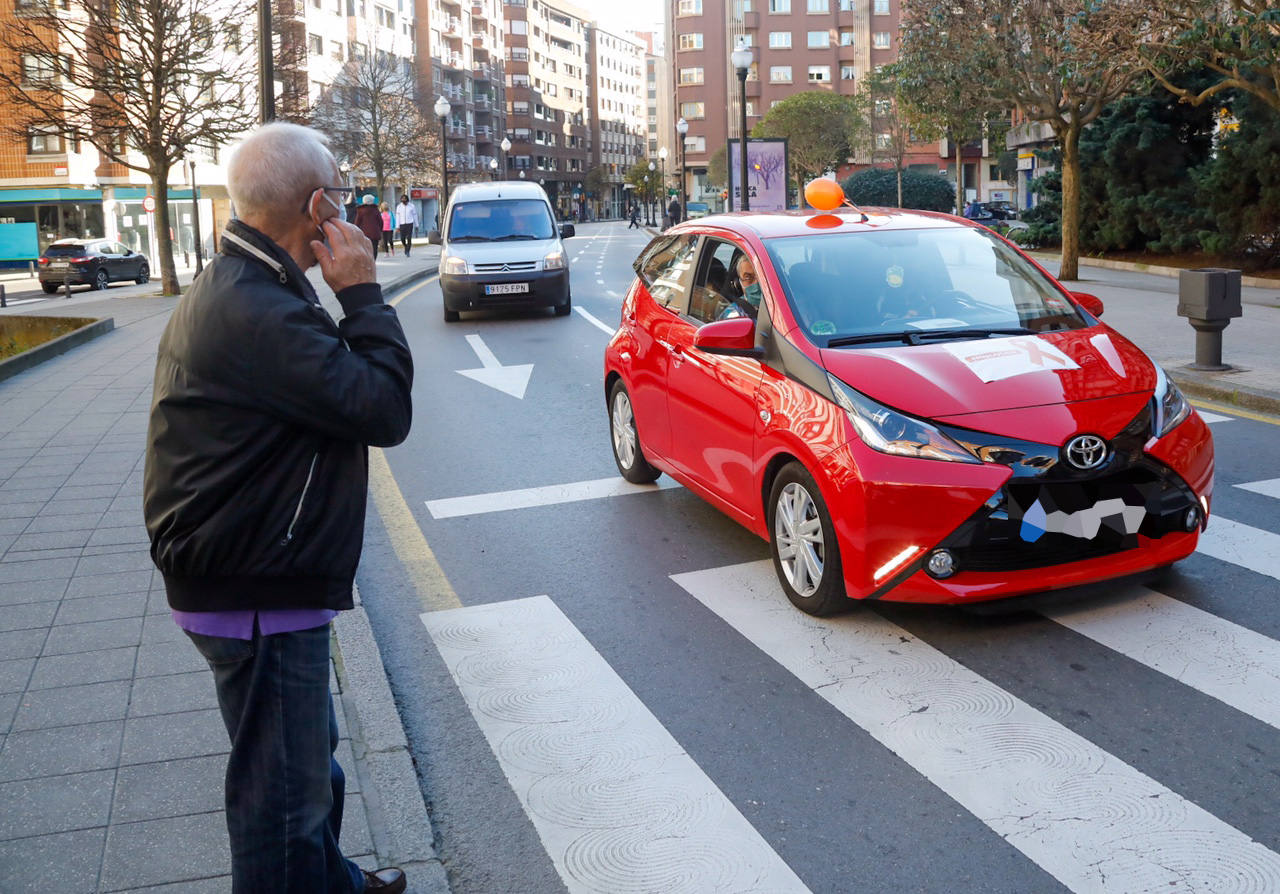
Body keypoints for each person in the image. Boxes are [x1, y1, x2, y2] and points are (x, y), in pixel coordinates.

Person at [143, 122, 413, 894]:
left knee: (303, 762)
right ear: (319, 202)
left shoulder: (248, 284)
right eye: (342, 189)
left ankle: (338, 884)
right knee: (281, 807)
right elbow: (382, 408)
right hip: (256, 582)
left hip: (247, 568)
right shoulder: (258, 308)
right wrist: (361, 293)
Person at [718, 253, 763, 321]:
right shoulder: (734, 314)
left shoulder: (780, 304)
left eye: (760, 276)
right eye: (748, 277)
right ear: (739, 283)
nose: (756, 283)